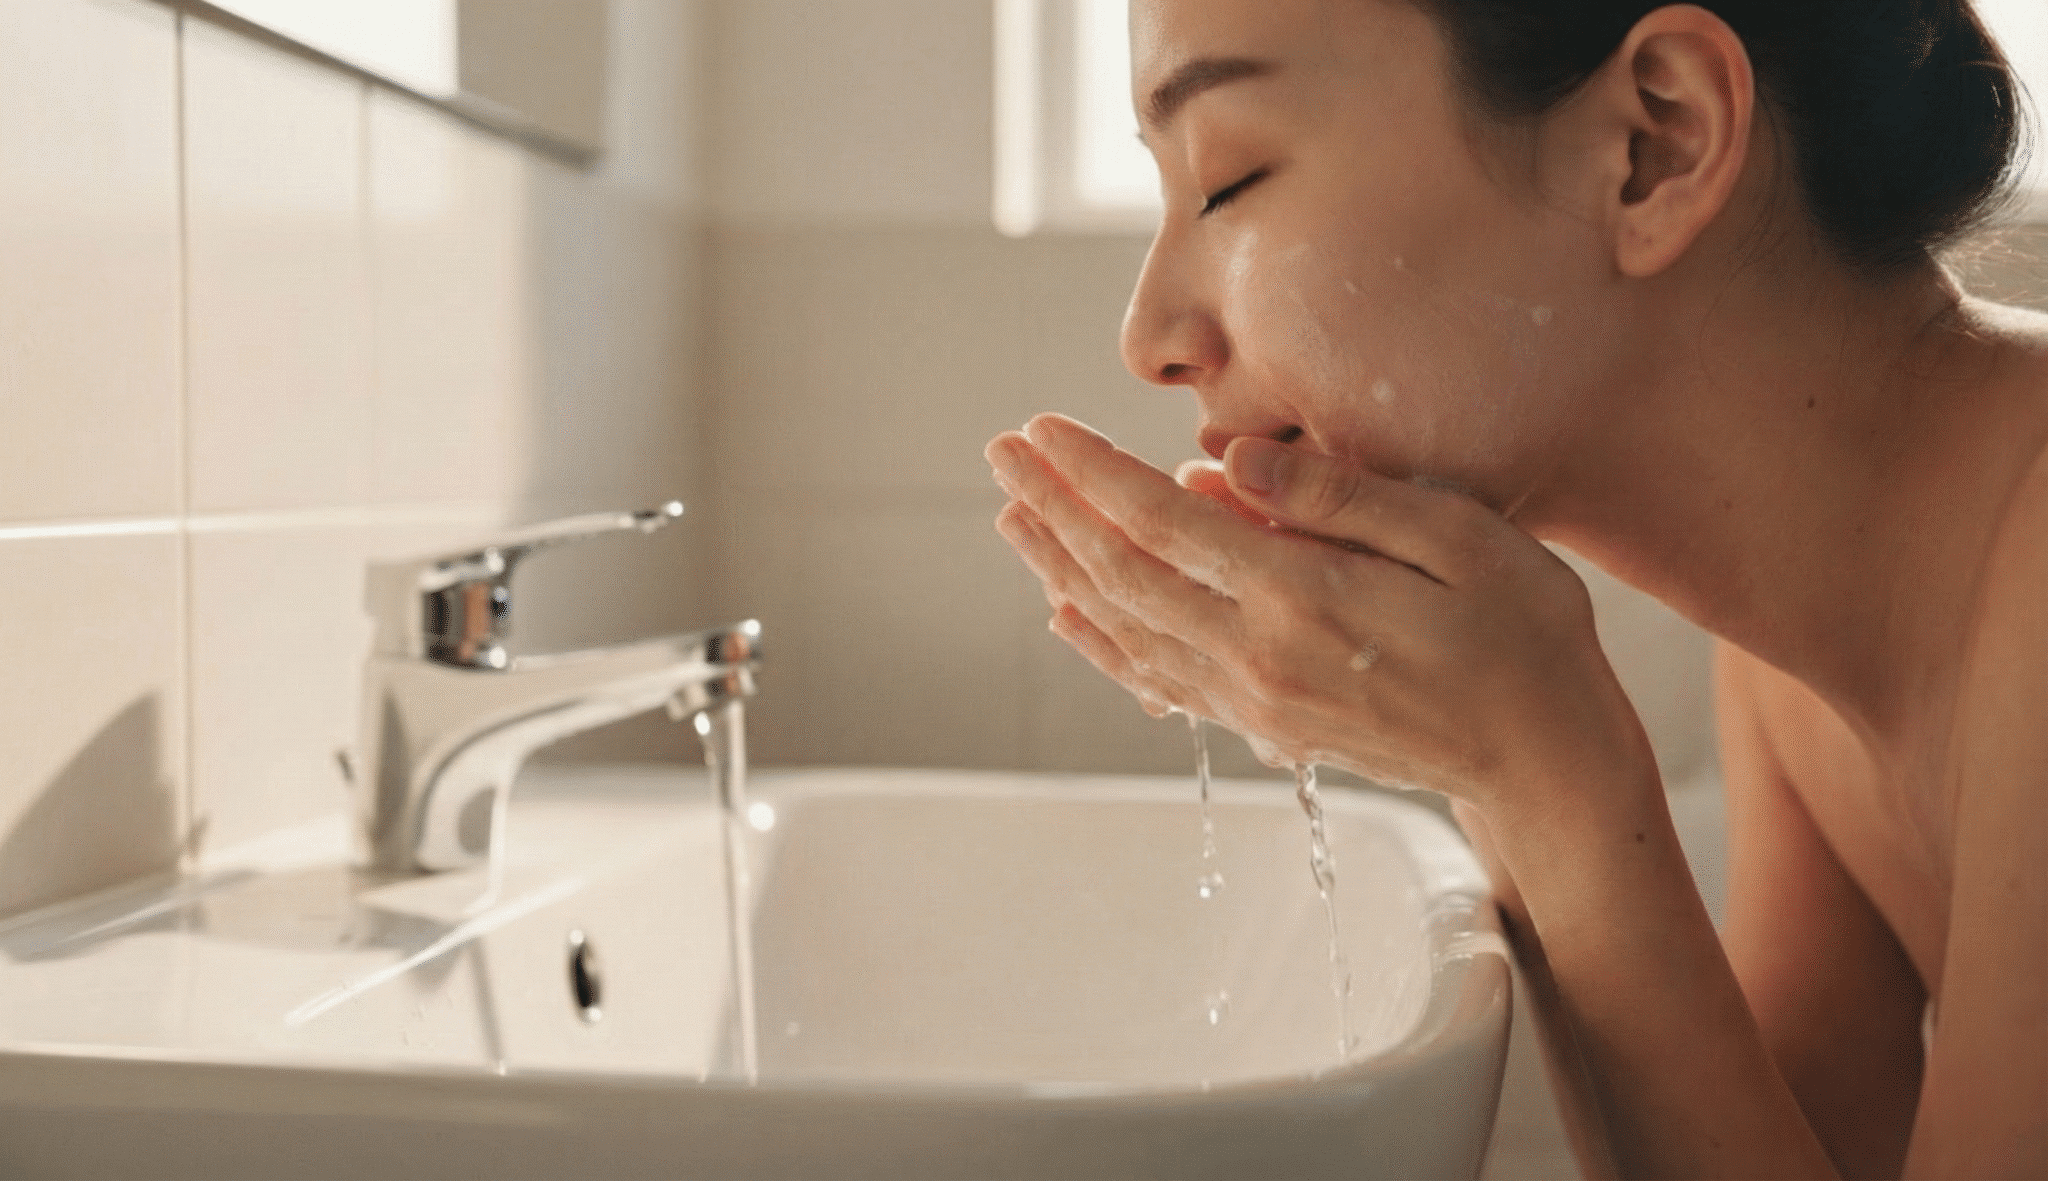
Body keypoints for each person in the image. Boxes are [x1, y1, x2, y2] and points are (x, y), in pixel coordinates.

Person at [984, 1, 2047, 1176]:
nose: (1149, 337)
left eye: (1228, 179)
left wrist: (1549, 780)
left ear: (1655, 144)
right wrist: (1486, 752)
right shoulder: (1795, 641)